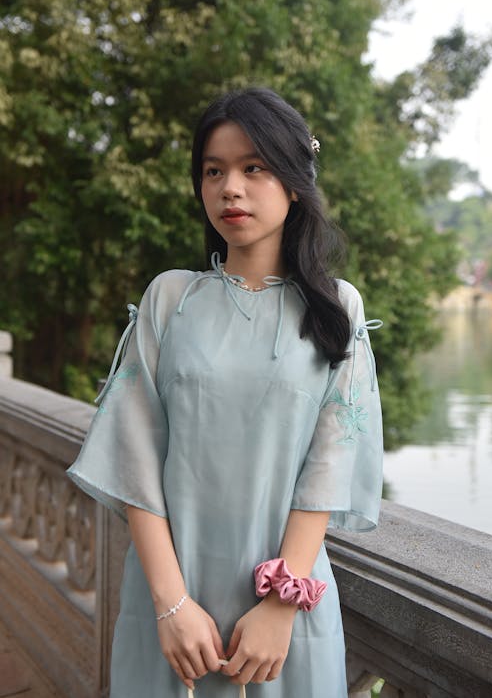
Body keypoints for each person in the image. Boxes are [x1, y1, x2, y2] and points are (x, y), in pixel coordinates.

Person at [67, 87, 383, 698]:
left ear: (294, 183)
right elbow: (134, 455)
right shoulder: (170, 298)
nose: (229, 188)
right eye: (214, 171)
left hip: (283, 615)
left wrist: (281, 605)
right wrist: (170, 603)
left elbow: (331, 464)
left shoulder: (336, 308)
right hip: (170, 608)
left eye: (253, 168)